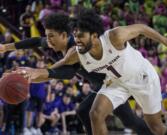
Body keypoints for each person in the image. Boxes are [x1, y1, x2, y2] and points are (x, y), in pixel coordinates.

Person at [0, 13, 154, 135]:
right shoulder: (57, 40)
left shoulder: (78, 48)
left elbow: (68, 73)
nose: (47, 41)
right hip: (99, 85)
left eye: (51, 36)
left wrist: (36, 74)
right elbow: (35, 41)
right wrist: (6, 47)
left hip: (112, 84)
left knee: (129, 121)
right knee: (84, 110)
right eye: (48, 36)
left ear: (65, 35)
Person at [69, 9, 167, 135]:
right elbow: (57, 67)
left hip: (142, 77)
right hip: (118, 82)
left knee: (156, 127)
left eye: (80, 35)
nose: (77, 39)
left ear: (94, 35)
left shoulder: (115, 36)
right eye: (75, 35)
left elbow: (141, 28)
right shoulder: (80, 52)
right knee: (95, 114)